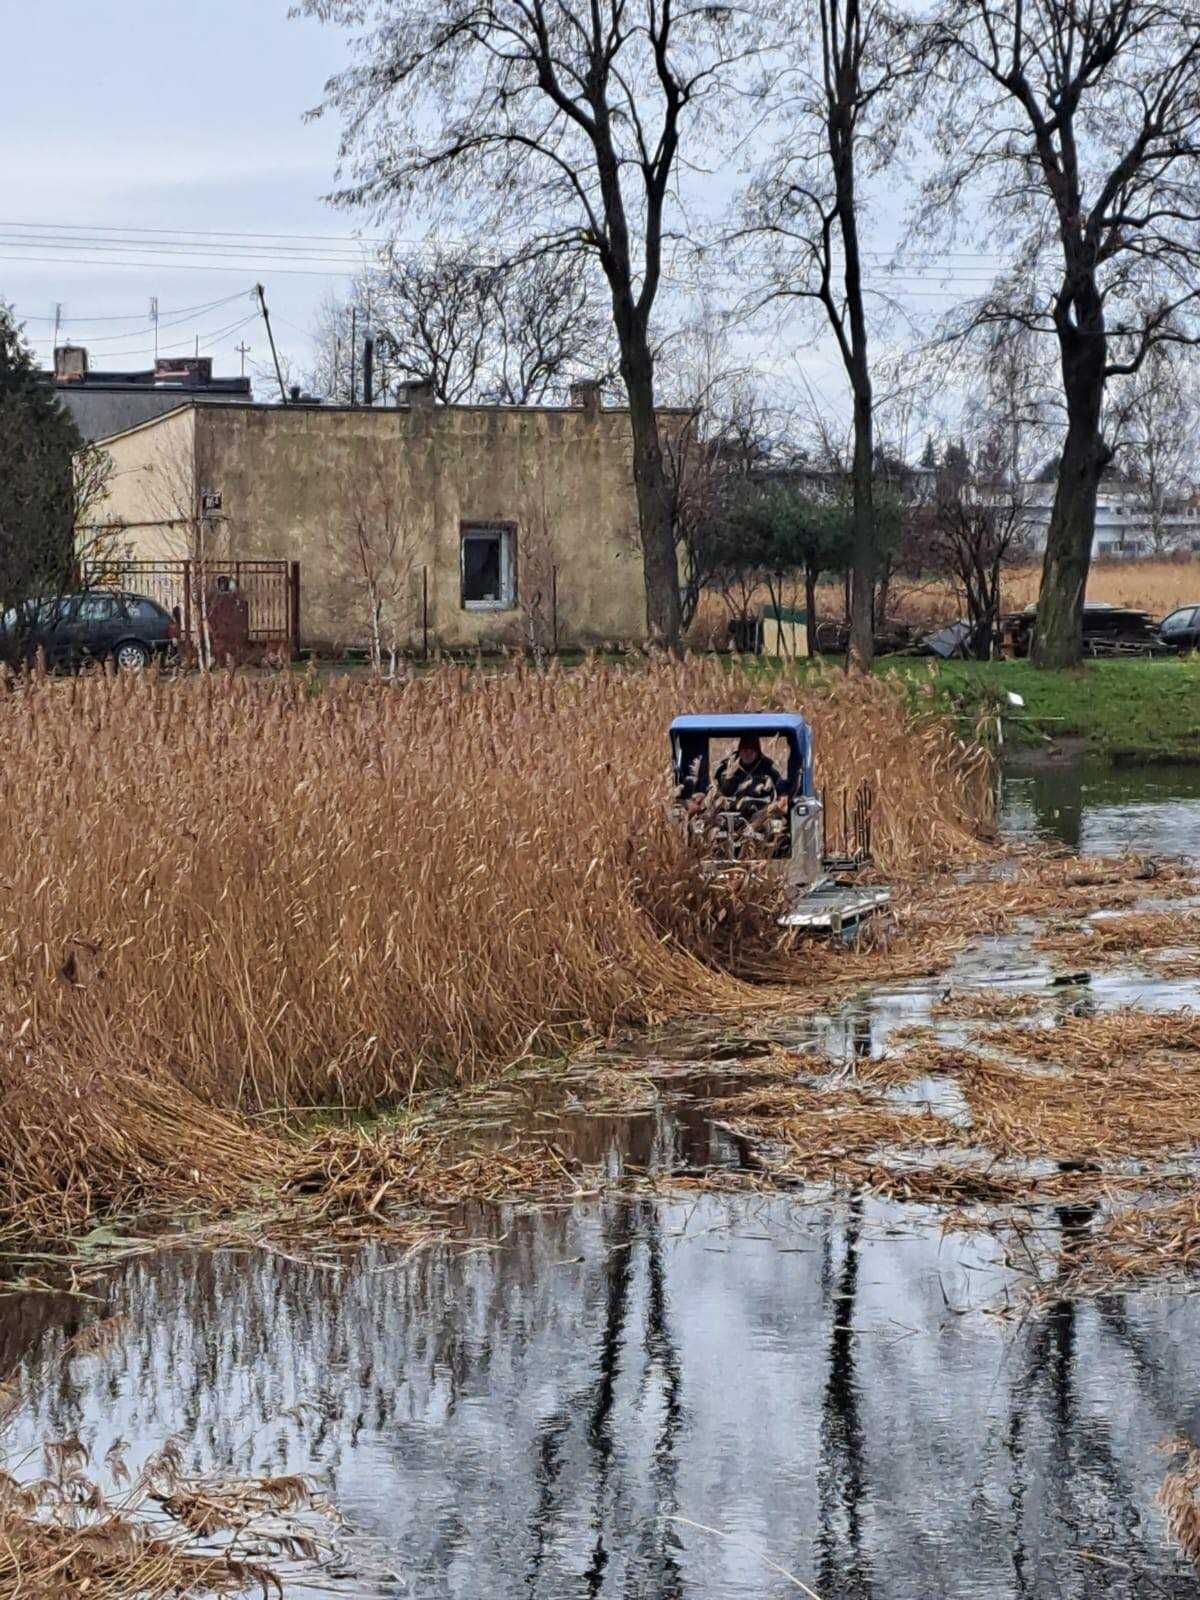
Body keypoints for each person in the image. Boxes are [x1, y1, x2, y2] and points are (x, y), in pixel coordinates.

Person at [686, 733, 787, 818]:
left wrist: (779, 804)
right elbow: (715, 790)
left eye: (751, 749)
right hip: (727, 812)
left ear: (757, 751)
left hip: (760, 813)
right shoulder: (726, 767)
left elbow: (781, 794)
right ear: (739, 750)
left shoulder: (769, 768)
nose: (747, 753)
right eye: (744, 749)